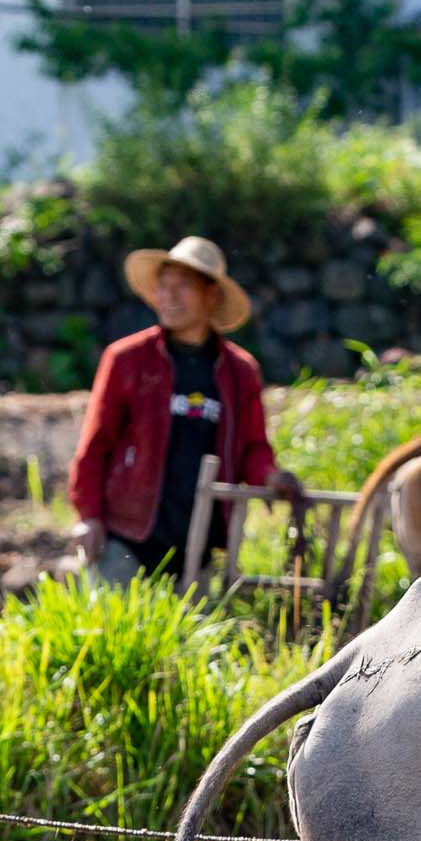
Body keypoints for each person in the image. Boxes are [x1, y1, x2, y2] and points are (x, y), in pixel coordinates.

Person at [69, 235, 302, 584]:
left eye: (183, 286)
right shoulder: (127, 359)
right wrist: (88, 515)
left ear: (211, 295)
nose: (169, 296)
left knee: (195, 636)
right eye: (163, 287)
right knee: (109, 632)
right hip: (127, 536)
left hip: (199, 541)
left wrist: (270, 475)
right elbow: (95, 445)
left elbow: (252, 448)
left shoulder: (239, 371)